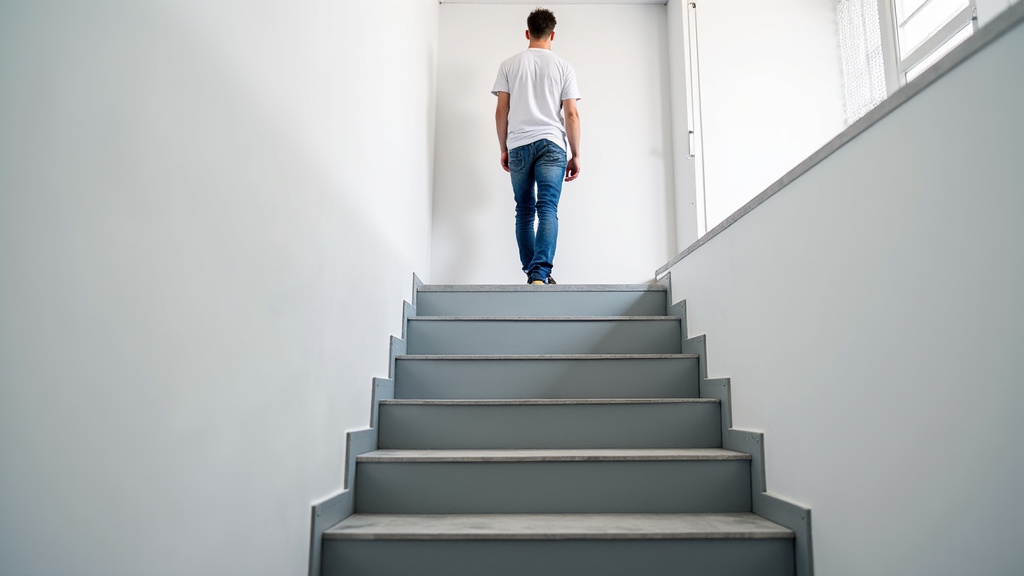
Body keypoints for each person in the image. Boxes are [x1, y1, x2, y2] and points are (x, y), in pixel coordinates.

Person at [492, 8, 581, 286]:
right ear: (552, 34)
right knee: (547, 209)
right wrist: (576, 154)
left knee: (524, 210)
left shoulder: (508, 65)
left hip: (518, 144)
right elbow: (571, 114)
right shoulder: (564, 67)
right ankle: (539, 274)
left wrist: (503, 147)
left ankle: (534, 273)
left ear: (527, 33)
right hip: (552, 145)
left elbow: (501, 111)